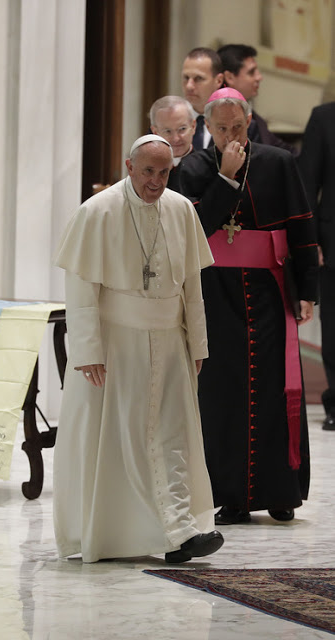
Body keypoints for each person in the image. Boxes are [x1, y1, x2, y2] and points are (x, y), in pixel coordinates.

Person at [53, 134, 224, 564]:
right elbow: (81, 287)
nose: (156, 181)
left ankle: (180, 531)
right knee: (124, 439)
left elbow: (192, 286)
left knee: (171, 435)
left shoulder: (181, 209)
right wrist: (88, 349)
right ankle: (133, 533)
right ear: (129, 166)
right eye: (148, 171)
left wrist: (197, 342)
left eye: (165, 172)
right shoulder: (98, 211)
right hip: (117, 344)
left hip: (169, 342)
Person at [179, 88, 318, 525]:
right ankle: (233, 496)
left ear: (249, 121)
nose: (230, 135)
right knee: (224, 394)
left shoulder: (278, 162)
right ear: (208, 128)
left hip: (269, 290)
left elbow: (301, 226)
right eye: (221, 128)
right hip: (216, 294)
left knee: (277, 388)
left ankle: (282, 493)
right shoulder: (194, 167)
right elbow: (196, 228)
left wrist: (307, 291)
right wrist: (225, 177)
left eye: (237, 127)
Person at [298, 102, 335, 430]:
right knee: (334, 325)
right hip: (332, 237)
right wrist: (311, 241)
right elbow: (308, 182)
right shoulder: (324, 117)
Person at [217, 44, 297, 155]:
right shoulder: (217, 120)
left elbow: (284, 151)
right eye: (251, 72)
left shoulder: (256, 120)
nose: (259, 77)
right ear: (230, 77)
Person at [150, 96, 196, 192]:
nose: (176, 139)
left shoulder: (208, 167)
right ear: (155, 132)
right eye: (167, 131)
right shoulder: (146, 170)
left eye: (182, 129)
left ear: (193, 126)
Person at [181, 48, 224, 151]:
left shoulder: (238, 124)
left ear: (218, 81)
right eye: (186, 78)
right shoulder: (165, 119)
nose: (189, 86)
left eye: (198, 78)